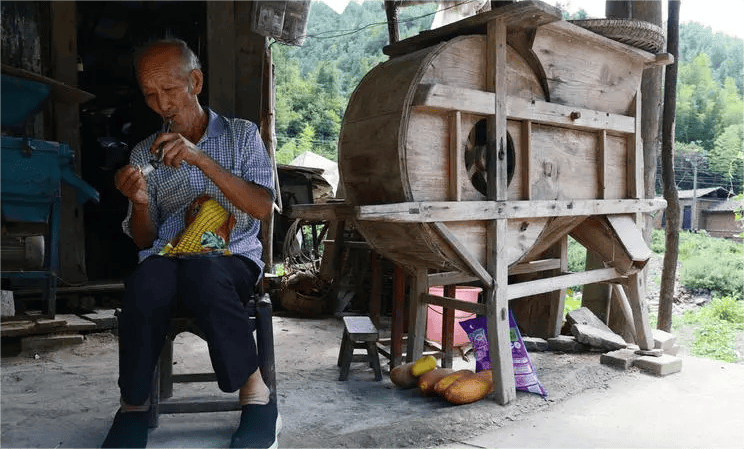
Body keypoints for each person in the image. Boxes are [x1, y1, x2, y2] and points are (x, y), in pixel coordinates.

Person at [102, 38, 279, 449]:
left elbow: (262, 207)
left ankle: (256, 395)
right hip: (168, 258)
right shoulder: (145, 151)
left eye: (169, 90)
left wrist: (201, 159)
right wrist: (141, 202)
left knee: (204, 272)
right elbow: (144, 238)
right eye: (150, 94)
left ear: (195, 81)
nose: (161, 103)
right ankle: (133, 406)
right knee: (145, 283)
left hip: (230, 258)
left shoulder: (241, 136)